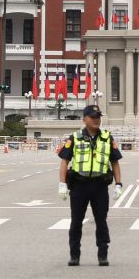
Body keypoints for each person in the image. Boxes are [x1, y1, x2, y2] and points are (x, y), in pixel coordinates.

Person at [58, 104, 123, 266]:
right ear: (84, 119)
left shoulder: (107, 138)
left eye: (98, 117)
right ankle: (74, 255)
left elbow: (114, 162)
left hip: (99, 186)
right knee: (76, 222)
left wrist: (118, 184)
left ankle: (103, 254)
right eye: (93, 117)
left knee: (101, 221)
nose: (96, 120)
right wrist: (62, 184)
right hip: (79, 186)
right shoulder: (75, 137)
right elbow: (64, 161)